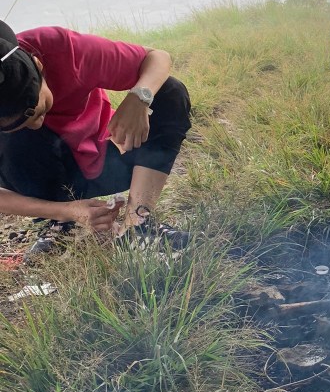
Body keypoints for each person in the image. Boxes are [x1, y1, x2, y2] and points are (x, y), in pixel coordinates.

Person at [0, 20, 192, 248]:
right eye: (20, 123)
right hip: (42, 176)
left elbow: (157, 57)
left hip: (108, 158)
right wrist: (67, 211)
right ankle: (63, 224)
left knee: (170, 91)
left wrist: (139, 97)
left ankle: (138, 225)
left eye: (38, 111)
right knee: (16, 140)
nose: (36, 124)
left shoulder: (58, 48)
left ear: (38, 65)